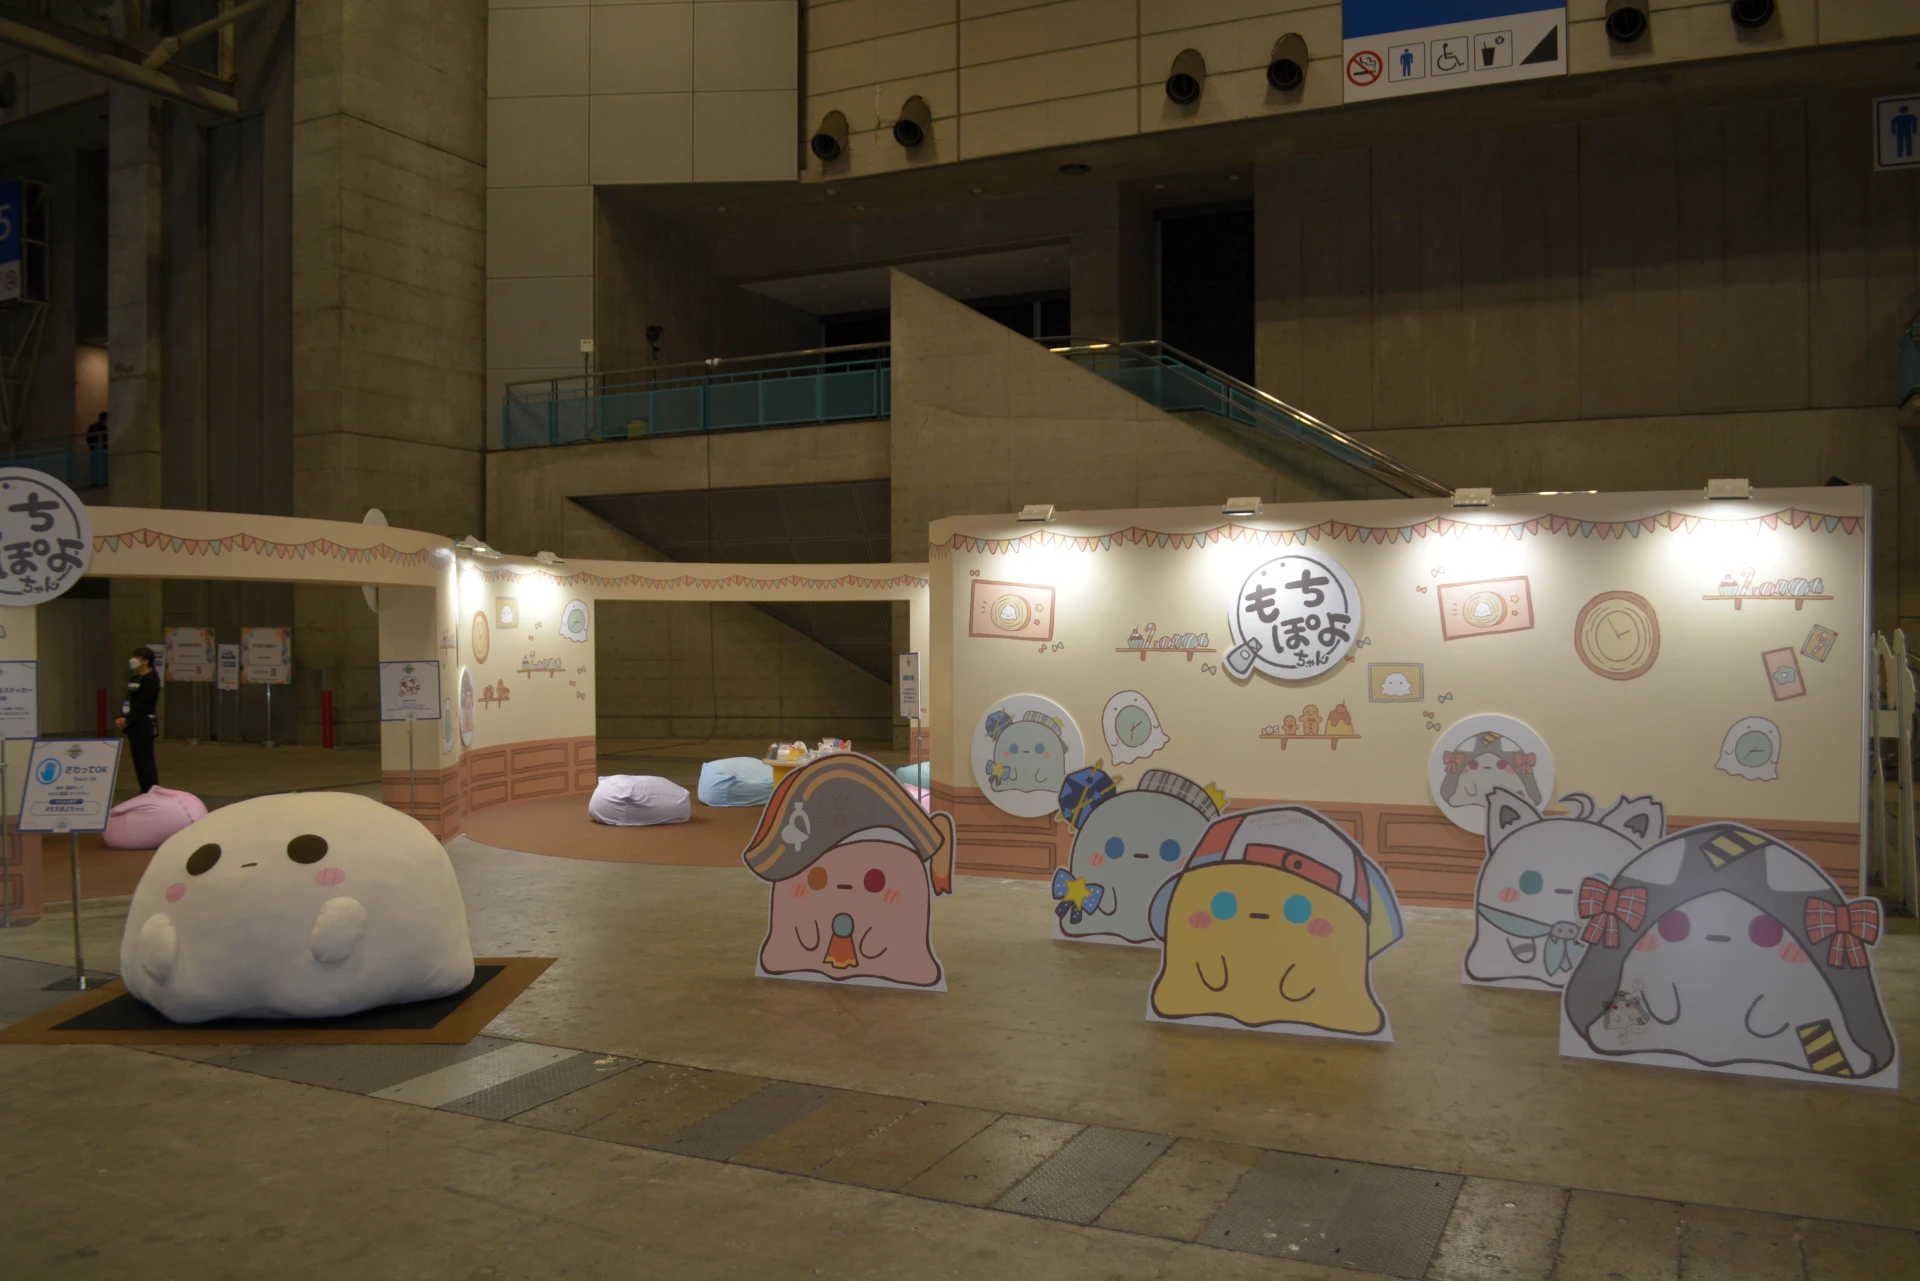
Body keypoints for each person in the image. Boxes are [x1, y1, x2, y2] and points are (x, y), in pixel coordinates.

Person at [116, 646, 161, 793]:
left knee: (145, 759)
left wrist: (128, 718)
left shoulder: (151, 679)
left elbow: (143, 703)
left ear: (146, 661)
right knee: (137, 760)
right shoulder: (134, 678)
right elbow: (128, 700)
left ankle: (151, 789)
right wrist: (122, 717)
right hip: (132, 725)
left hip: (144, 723)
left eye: (137, 658)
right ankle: (143, 788)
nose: (133, 660)